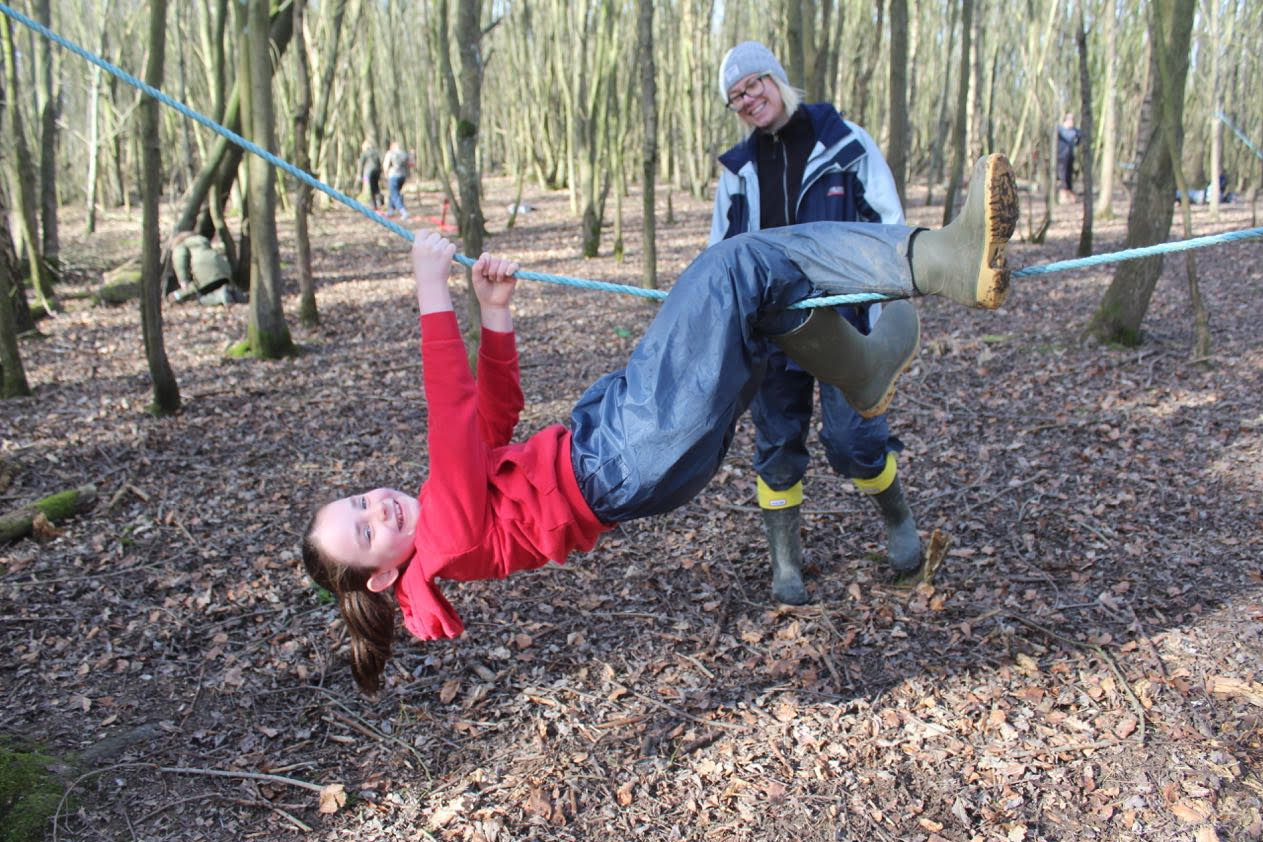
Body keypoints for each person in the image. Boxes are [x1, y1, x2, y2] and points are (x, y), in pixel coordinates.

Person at [302, 154, 1018, 694]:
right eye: (367, 533)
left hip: (626, 451)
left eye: (360, 502)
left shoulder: (437, 515)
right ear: (384, 576)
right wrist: (430, 292)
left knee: (761, 304)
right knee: (733, 267)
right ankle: (938, 260)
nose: (378, 509)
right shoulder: (442, 540)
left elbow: (492, 416)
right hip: (624, 452)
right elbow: (454, 417)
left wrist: (493, 312)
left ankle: (858, 365)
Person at [710, 40, 917, 605]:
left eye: (754, 85)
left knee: (854, 442)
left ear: (776, 79)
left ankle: (899, 522)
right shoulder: (738, 170)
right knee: (777, 445)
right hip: (774, 327)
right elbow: (723, 252)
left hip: (845, 320)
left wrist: (881, 309)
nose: (748, 99)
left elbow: (890, 226)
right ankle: (786, 564)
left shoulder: (844, 145)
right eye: (736, 97)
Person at [167, 231, 246, 306]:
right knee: (218, 285)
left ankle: (219, 297)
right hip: (222, 266)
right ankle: (236, 294)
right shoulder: (203, 242)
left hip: (204, 268)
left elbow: (180, 258)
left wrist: (183, 279)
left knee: (201, 297)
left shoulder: (182, 244)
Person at [383, 141, 413, 221]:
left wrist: (385, 174)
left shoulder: (390, 153)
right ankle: (391, 210)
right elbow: (410, 164)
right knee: (394, 193)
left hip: (393, 175)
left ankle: (403, 211)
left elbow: (386, 165)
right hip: (402, 176)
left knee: (394, 194)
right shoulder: (404, 153)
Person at [1056, 113, 1081, 203]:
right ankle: (1063, 197)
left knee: (1069, 176)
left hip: (1070, 157)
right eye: (1070, 119)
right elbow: (1069, 137)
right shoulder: (1060, 129)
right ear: (1066, 120)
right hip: (1061, 157)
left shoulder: (1074, 131)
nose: (1072, 121)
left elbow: (1078, 141)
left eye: (1072, 119)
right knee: (1062, 177)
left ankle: (1069, 196)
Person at [358, 138, 383, 211]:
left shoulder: (364, 153)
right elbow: (379, 163)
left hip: (368, 173)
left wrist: (359, 175)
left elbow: (361, 164)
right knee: (376, 187)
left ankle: (374, 205)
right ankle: (379, 202)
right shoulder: (376, 152)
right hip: (377, 172)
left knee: (370, 188)